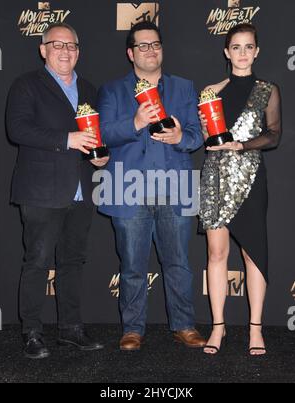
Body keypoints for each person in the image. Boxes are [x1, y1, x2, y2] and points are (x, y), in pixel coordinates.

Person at [96, 21, 205, 351]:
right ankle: (132, 329)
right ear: (131, 53)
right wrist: (136, 122)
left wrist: (180, 137)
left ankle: (184, 325)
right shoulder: (113, 90)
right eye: (142, 45)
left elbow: (197, 134)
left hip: (176, 186)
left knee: (179, 263)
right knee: (131, 266)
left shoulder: (184, 88)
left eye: (155, 44)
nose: (150, 50)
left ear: (162, 49)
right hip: (127, 189)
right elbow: (103, 136)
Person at [6, 22, 109, 359]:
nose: (65, 51)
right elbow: (17, 128)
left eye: (72, 46)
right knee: (36, 261)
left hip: (81, 190)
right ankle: (32, 332)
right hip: (41, 191)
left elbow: (96, 134)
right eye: (58, 44)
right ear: (43, 49)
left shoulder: (91, 89)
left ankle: (70, 330)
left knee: (72, 262)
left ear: (79, 51)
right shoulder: (26, 85)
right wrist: (68, 140)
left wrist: (100, 156)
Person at [198, 23, 281, 355]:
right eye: (236, 47)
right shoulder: (211, 91)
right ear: (226, 51)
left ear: (257, 51)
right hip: (215, 177)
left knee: (252, 254)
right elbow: (204, 136)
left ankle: (255, 329)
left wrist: (241, 145)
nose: (242, 53)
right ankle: (218, 327)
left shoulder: (267, 89)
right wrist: (206, 130)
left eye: (248, 47)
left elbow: (274, 135)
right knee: (217, 253)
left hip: (250, 179)